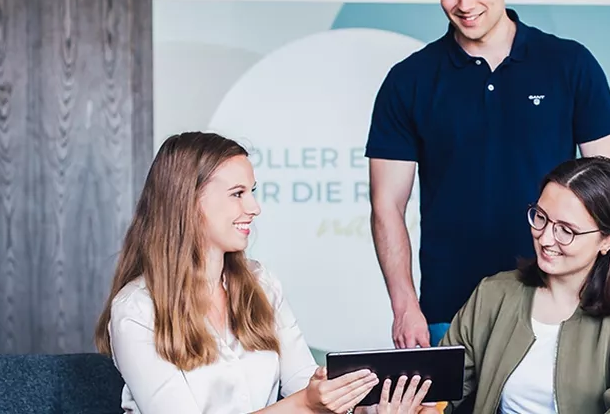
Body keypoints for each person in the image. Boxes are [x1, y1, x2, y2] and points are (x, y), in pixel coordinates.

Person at [365, 0, 610, 351]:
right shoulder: (408, 80)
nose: (464, 4)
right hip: (448, 310)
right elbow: (386, 206)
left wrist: (608, 290)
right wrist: (404, 305)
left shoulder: (570, 63)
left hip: (562, 304)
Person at [94, 132, 432, 414]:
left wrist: (369, 406)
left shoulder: (260, 283)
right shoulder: (137, 309)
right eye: (238, 194)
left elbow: (305, 383)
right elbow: (304, 401)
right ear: (187, 201)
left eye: (251, 193)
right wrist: (304, 404)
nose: (254, 208)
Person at [436, 156, 610, 413]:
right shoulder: (494, 293)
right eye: (541, 218)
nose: (545, 238)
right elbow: (439, 393)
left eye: (566, 230)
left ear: (608, 240)